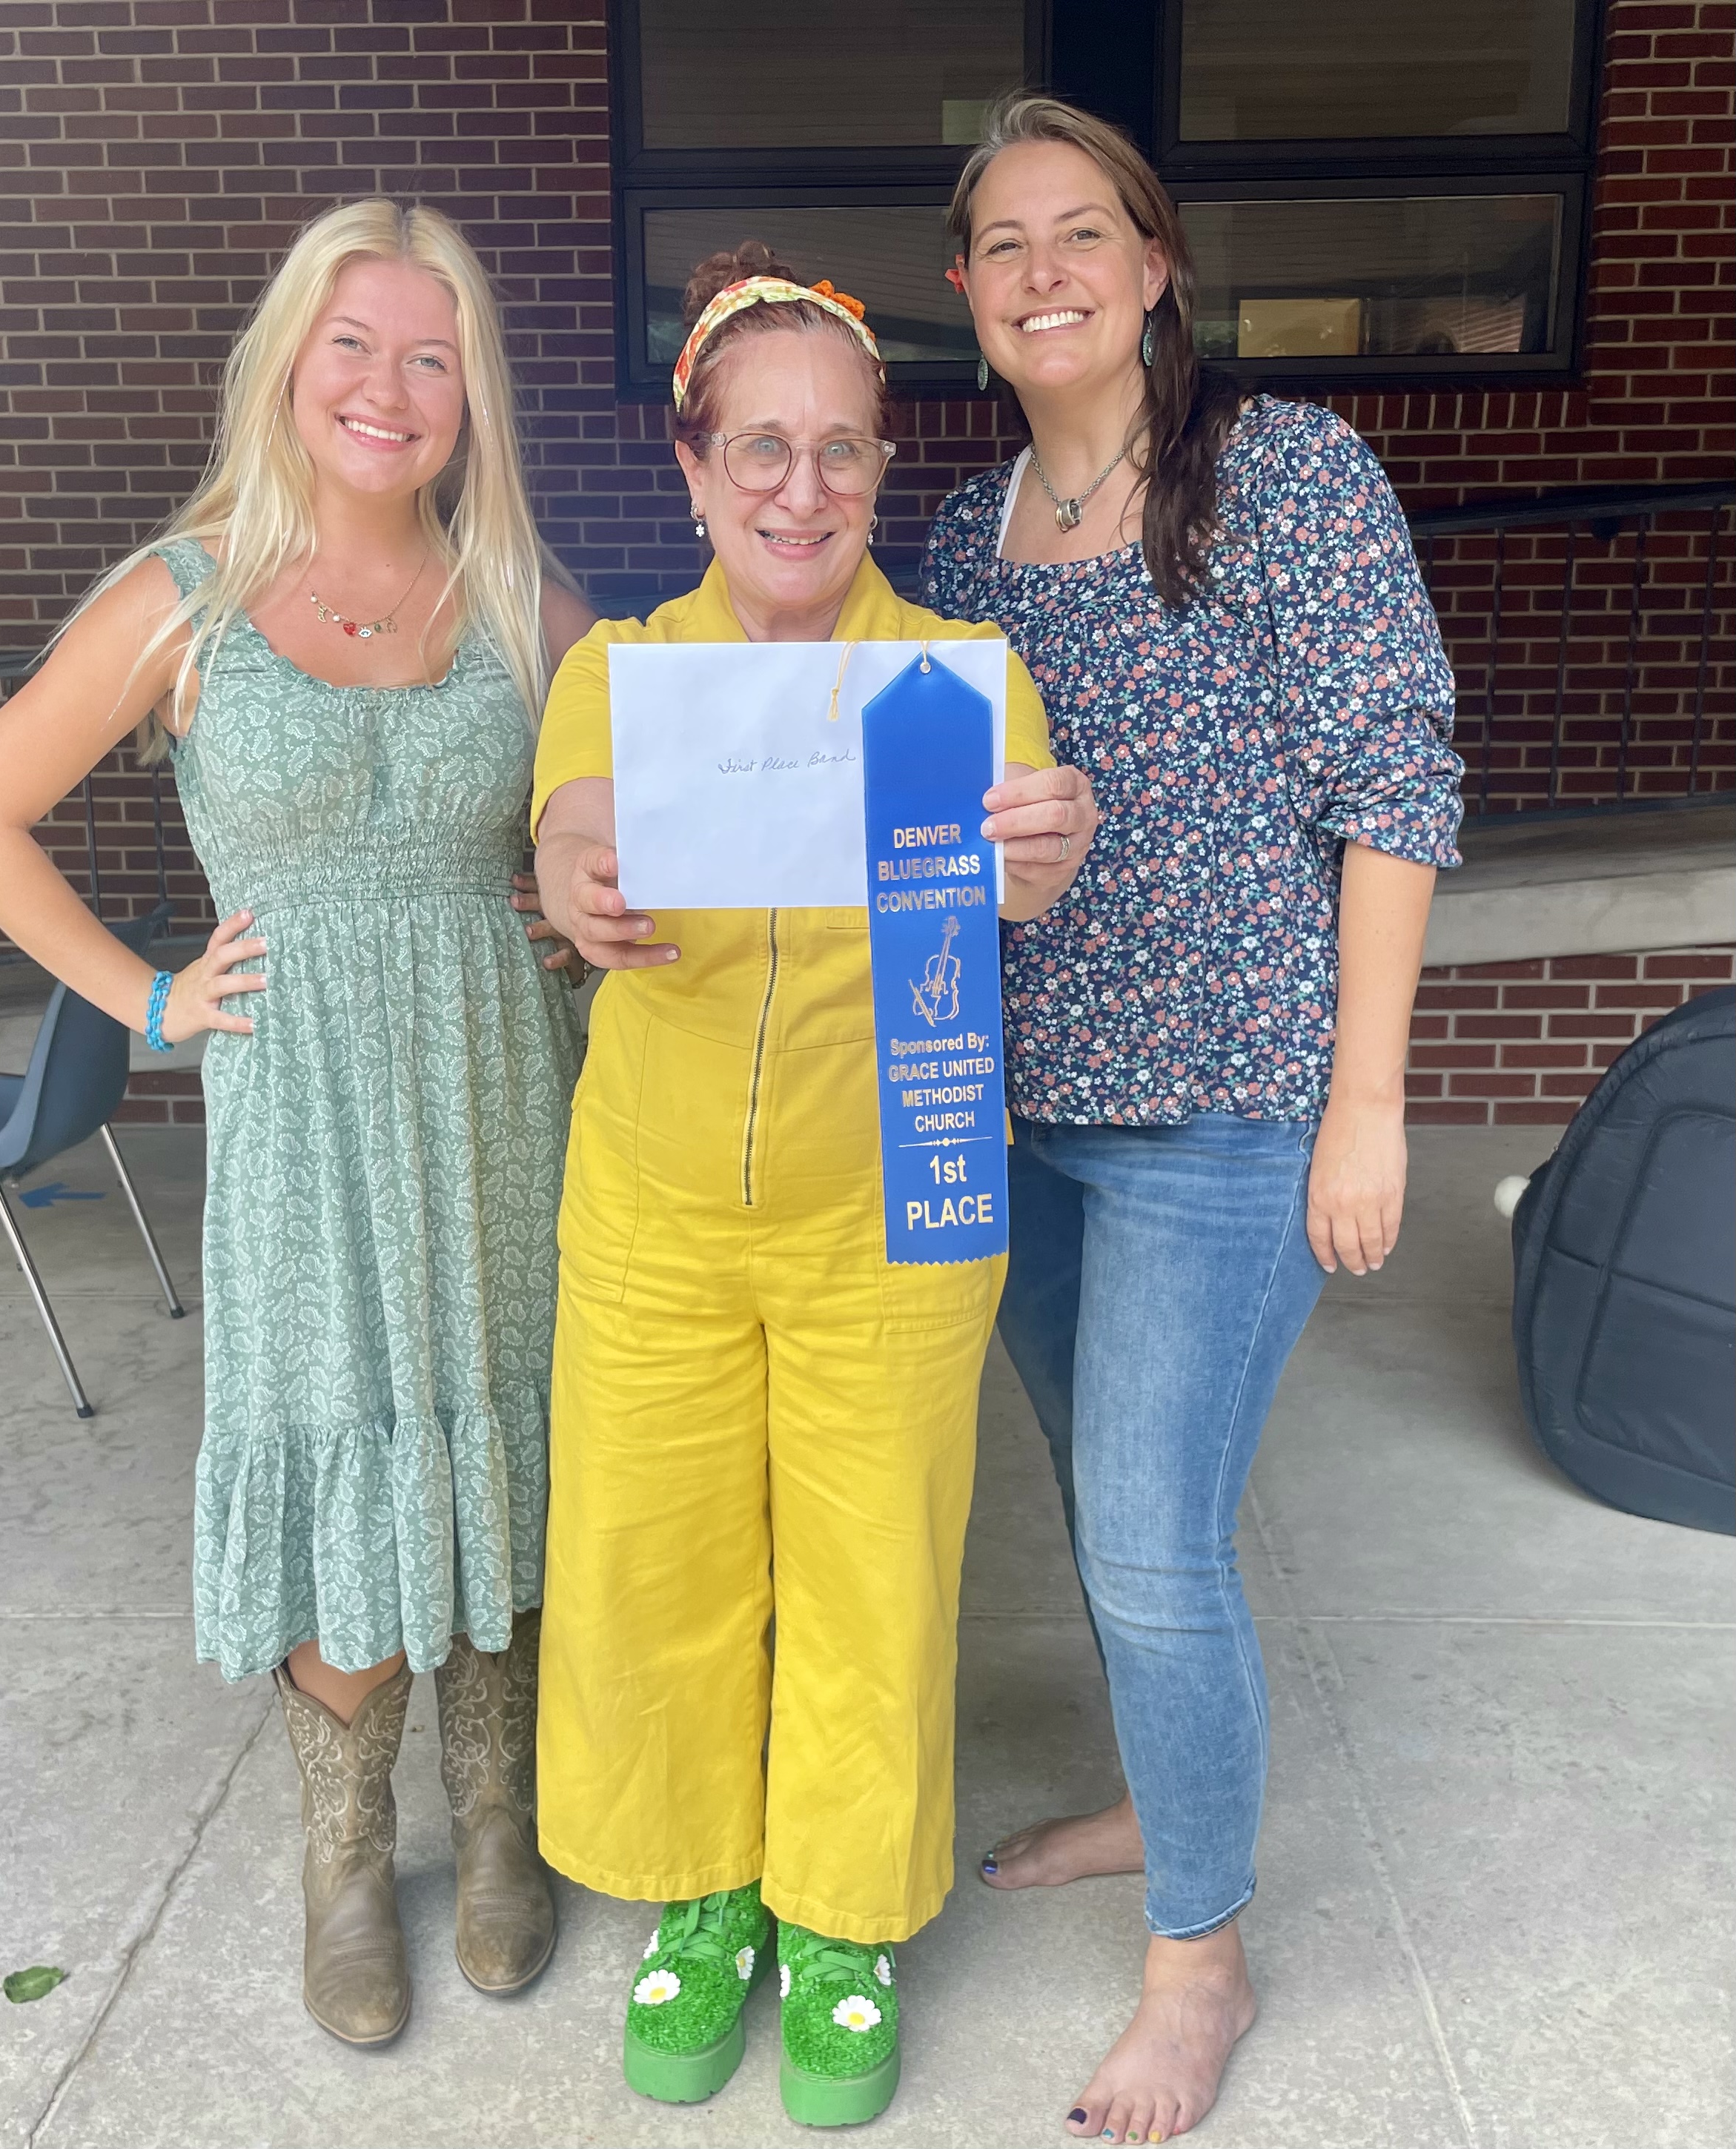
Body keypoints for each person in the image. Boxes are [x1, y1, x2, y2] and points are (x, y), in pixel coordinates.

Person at [0, 199, 593, 2048]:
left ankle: (505, 1818)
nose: (391, 387)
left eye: (433, 355)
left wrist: (573, 887)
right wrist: (144, 999)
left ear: (474, 394)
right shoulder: (187, 594)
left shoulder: (527, 599)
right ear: (291, 362)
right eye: (355, 343)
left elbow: (637, 825)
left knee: (507, 1446)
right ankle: (347, 1855)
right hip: (304, 1114)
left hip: (503, 1094)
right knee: (341, 1453)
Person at [924, 96, 1464, 2146]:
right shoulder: (968, 542)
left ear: (1158, 268)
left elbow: (1394, 788)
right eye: (1006, 243)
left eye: (1088, 232)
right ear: (966, 299)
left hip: (1231, 1112)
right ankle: (1167, 1791)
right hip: (1019, 1106)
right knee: (1104, 1505)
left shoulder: (1290, 479)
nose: (1047, 269)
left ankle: (1200, 1957)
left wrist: (1370, 1108)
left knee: (1152, 1540)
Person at [531, 242, 1097, 2128]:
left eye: (841, 452)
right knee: (662, 1564)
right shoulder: (617, 675)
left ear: (878, 470)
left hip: (896, 1212)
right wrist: (574, 875)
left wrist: (1047, 842)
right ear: (690, 470)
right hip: (656, 1216)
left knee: (872, 1571)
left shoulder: (962, 684)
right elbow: (567, 827)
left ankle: (844, 1918)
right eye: (759, 449)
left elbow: (1025, 871)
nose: (801, 489)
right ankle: (704, 1896)